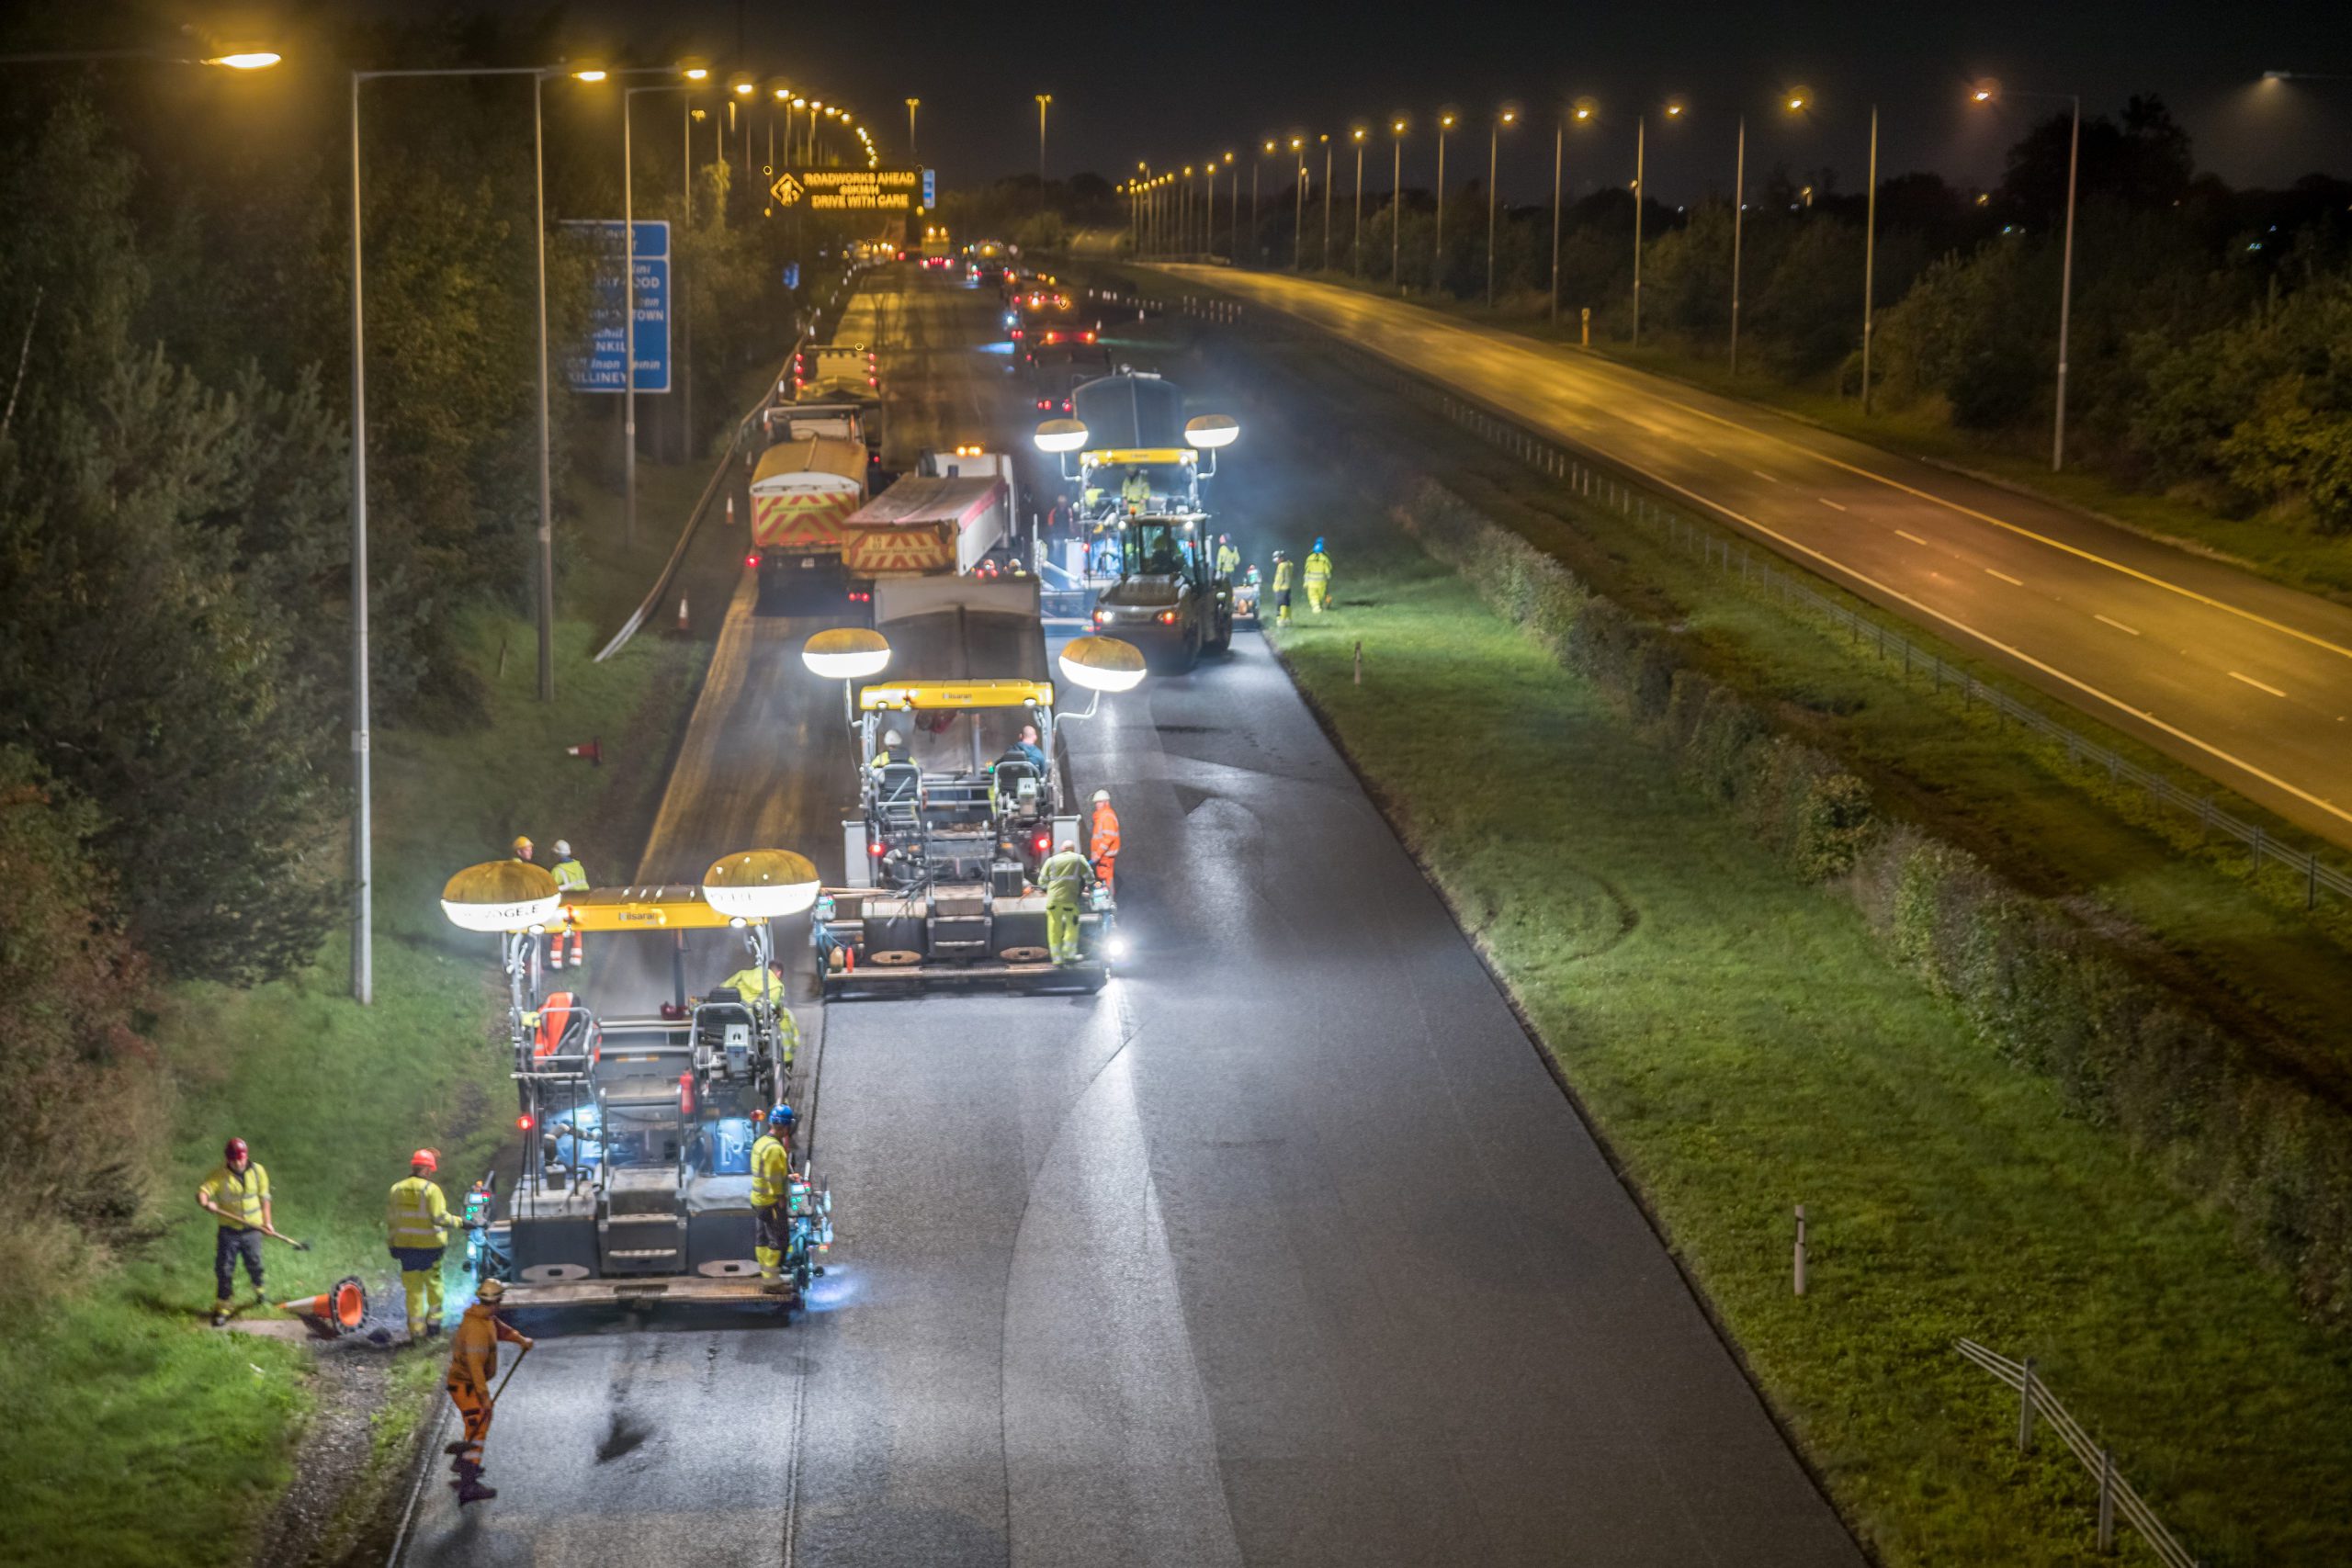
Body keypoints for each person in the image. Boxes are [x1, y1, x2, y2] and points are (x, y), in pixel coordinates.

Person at [444, 1278, 532, 1504]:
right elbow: (475, 1369)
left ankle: (466, 1463)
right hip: (465, 1385)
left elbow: (501, 1330)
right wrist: (485, 1399)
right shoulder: (476, 1329)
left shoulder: (484, 1318)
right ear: (497, 1301)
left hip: (468, 1384)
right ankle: (468, 1483)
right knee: (479, 1426)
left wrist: (521, 1340)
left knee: (479, 1424)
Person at [198, 1137, 273, 1327]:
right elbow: (204, 1191)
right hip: (229, 1231)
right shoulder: (219, 1175)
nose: (238, 1162)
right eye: (233, 1159)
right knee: (224, 1268)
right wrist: (206, 1202)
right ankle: (223, 1306)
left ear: (246, 1156)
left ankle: (260, 1290)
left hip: (253, 1229)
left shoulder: (258, 1171)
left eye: (240, 1158)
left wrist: (268, 1223)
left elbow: (265, 1199)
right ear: (228, 1159)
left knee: (254, 1262)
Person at [388, 1149, 454, 1341]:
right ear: (426, 1170)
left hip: (405, 1249)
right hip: (431, 1249)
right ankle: (434, 1325)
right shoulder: (431, 1190)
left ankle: (416, 1331)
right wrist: (461, 1222)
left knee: (413, 1290)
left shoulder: (396, 1190)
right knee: (434, 1285)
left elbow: (392, 1221)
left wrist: (392, 1244)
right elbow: (440, 1218)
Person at [751, 1105, 797, 1291]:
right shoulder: (776, 1149)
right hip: (771, 1202)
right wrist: (781, 1200)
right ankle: (771, 1283)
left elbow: (765, 1173)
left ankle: (768, 1275)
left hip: (757, 1200)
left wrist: (788, 1177)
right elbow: (774, 1180)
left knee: (762, 1239)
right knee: (778, 1240)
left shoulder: (761, 1143)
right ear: (786, 1128)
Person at [1035, 837, 1096, 964]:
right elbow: (1090, 877)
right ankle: (1069, 955)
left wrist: (1049, 890)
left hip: (1053, 902)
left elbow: (1042, 882)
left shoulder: (1051, 861)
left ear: (1061, 849)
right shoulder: (1079, 859)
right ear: (1073, 850)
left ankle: (1057, 959)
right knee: (1072, 927)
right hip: (1070, 900)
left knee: (1053, 928)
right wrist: (1089, 886)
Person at [548, 840, 587, 969]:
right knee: (576, 931)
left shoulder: (557, 870)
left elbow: (551, 889)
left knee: (558, 931)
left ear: (557, 854)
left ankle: (556, 963)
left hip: (563, 904)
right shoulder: (579, 867)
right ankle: (576, 961)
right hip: (580, 903)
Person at [1088, 789, 1122, 892]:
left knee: (1106, 880)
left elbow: (1108, 838)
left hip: (1104, 857)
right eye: (1096, 802)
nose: (1097, 805)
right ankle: (1106, 900)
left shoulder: (1107, 817)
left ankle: (1108, 902)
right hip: (1102, 857)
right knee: (1103, 879)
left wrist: (1098, 854)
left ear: (1106, 802)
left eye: (1100, 802)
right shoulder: (1102, 816)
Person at [1305, 536, 1334, 615]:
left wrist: (1305, 582)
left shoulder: (1309, 558)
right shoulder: (1325, 559)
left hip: (1311, 582)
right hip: (1321, 582)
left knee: (1312, 595)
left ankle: (1316, 607)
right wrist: (1328, 577)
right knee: (1321, 595)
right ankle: (1322, 605)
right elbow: (1328, 570)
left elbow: (1307, 570)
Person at [1271, 550, 1295, 626]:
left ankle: (1281, 621)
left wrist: (1275, 587)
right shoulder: (1289, 564)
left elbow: (1279, 578)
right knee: (1287, 604)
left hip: (1281, 588)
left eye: (1276, 559)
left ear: (1281, 558)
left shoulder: (1281, 566)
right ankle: (1288, 620)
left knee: (1281, 605)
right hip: (1288, 587)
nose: (1276, 561)